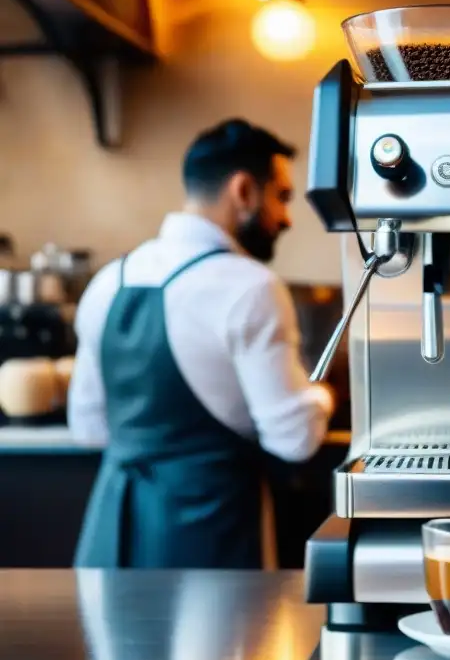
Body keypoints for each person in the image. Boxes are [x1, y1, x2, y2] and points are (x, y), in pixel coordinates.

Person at [68, 118, 335, 569]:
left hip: (112, 536)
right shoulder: (250, 287)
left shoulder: (107, 280)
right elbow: (294, 439)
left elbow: (89, 428)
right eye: (282, 197)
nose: (287, 218)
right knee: (229, 645)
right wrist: (323, 395)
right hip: (208, 540)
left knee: (110, 642)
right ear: (244, 191)